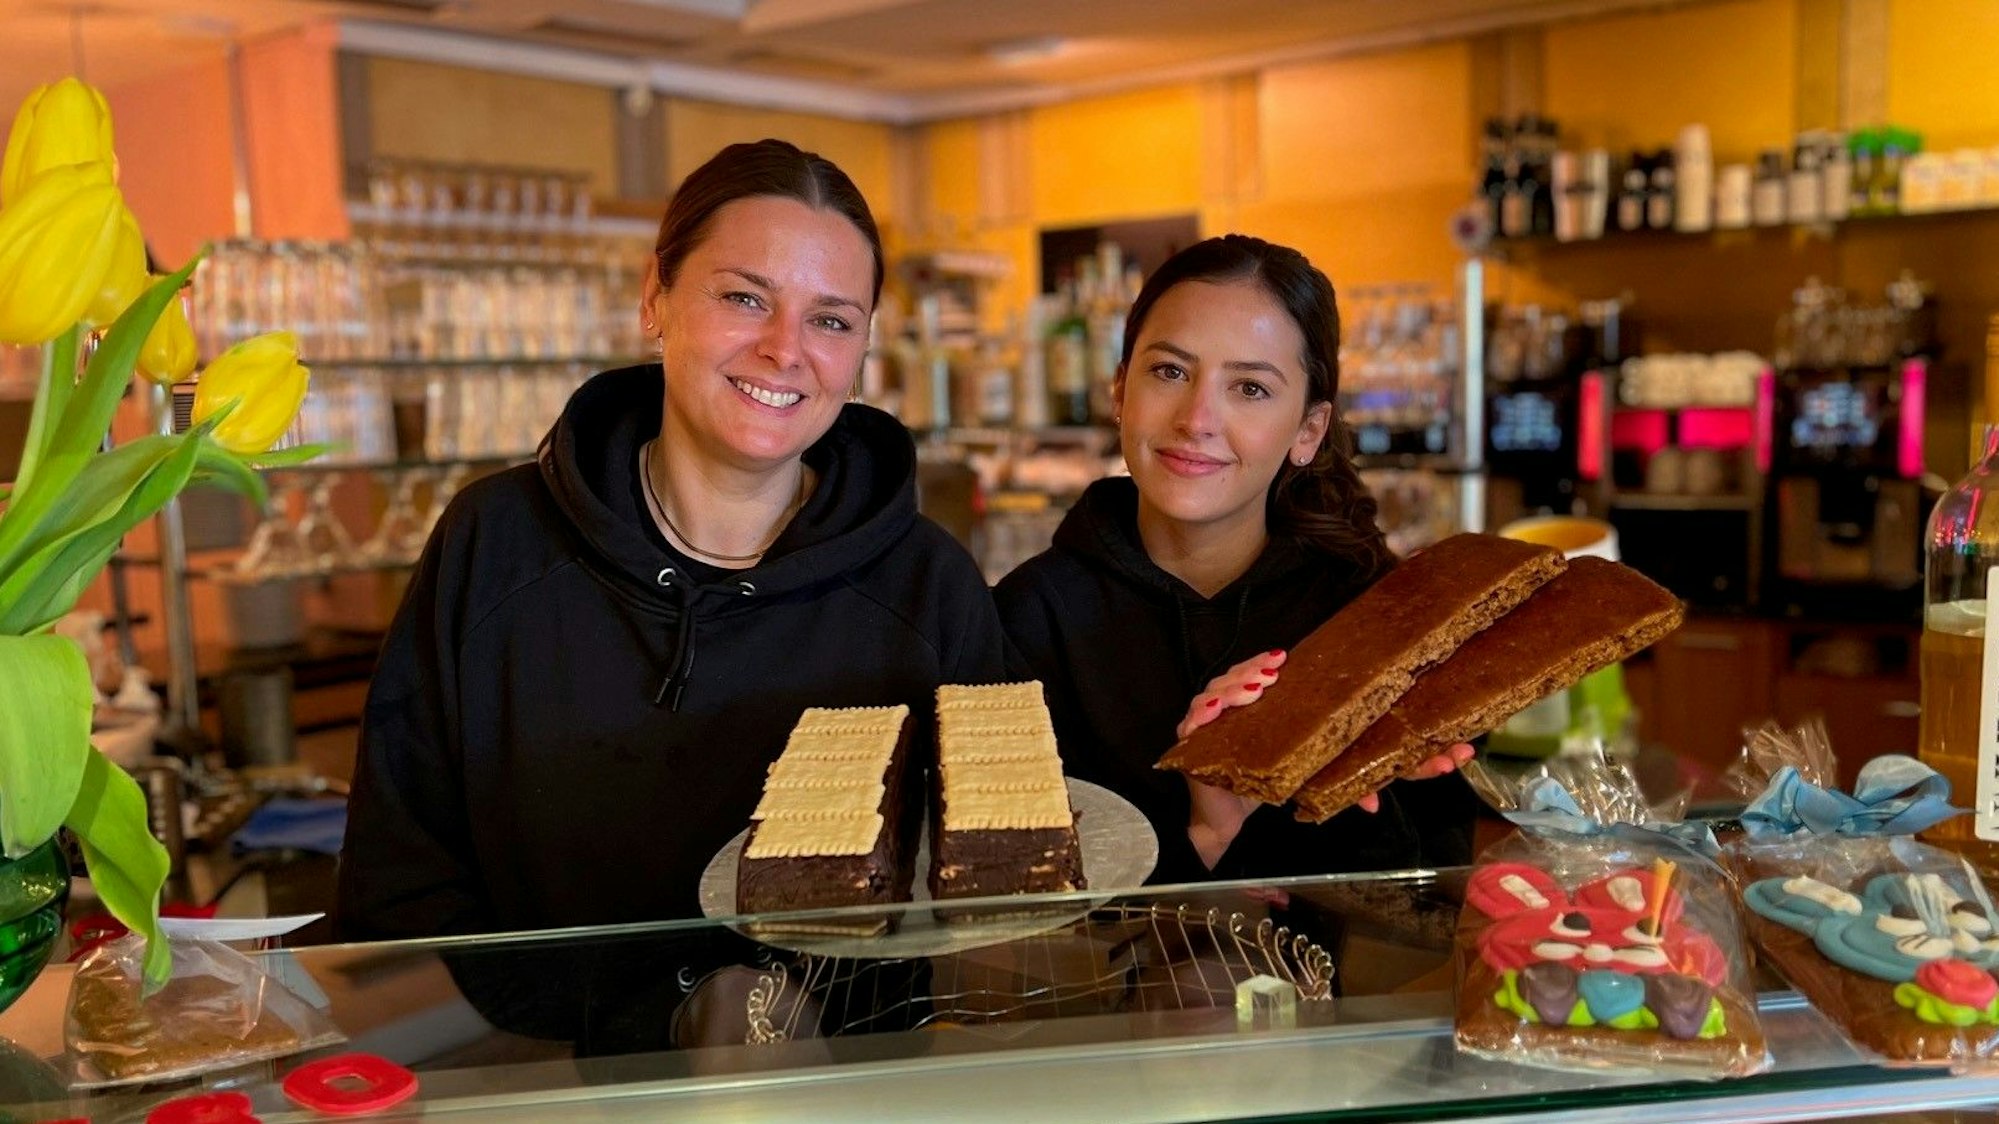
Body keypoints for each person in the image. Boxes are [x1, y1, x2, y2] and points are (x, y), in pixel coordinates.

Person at [335, 140, 1010, 951]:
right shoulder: (496, 542)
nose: (785, 350)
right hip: (544, 1067)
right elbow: (397, 879)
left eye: (830, 319)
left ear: (862, 347)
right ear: (655, 298)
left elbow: (989, 898)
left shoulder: (928, 586)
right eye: (745, 298)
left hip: (837, 1065)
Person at [996, 234, 1478, 888]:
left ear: (1307, 430)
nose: (1197, 419)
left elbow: (1433, 895)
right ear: (1118, 391)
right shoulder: (1028, 619)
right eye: (1168, 372)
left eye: (1249, 388)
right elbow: (1016, 895)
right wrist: (1210, 829)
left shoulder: (1374, 617)